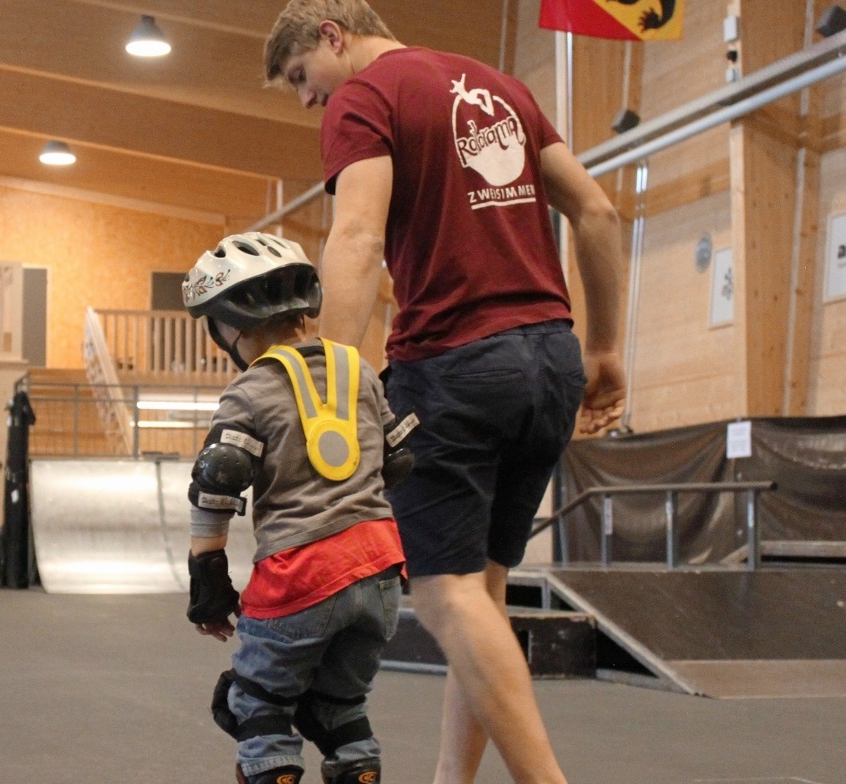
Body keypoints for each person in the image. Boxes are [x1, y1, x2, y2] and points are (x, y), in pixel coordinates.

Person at [264, 3, 627, 783]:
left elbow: (357, 238)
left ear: (332, 35)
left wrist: (327, 387)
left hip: (455, 368)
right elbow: (597, 212)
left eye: (300, 76)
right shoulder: (503, 88)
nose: (307, 97)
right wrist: (605, 350)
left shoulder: (365, 98)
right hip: (550, 361)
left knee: (444, 595)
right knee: (479, 597)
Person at [181, 231, 417, 784]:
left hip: (302, 572)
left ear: (232, 326)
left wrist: (208, 579)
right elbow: (398, 461)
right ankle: (359, 770)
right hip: (381, 571)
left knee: (253, 703)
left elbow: (219, 481)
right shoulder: (358, 369)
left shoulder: (249, 390)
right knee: (336, 706)